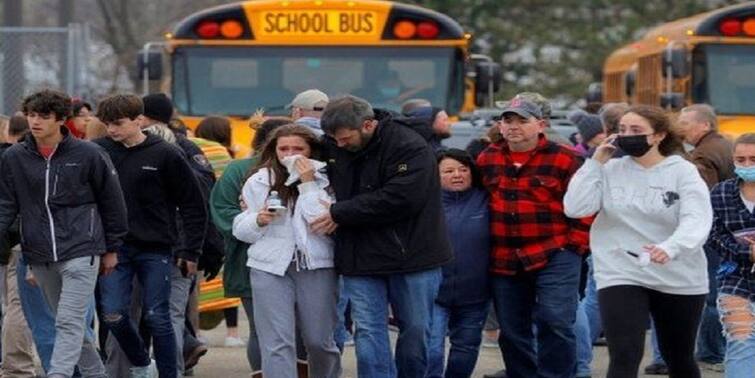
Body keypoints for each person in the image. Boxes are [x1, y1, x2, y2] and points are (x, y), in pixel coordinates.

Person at [564, 105, 712, 378]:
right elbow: (575, 207)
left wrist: (671, 247)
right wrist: (595, 163)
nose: (626, 135)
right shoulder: (610, 169)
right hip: (621, 269)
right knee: (624, 354)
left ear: (658, 136)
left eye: (636, 130)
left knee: (678, 357)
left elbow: (697, 219)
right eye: (621, 130)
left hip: (678, 274)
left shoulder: (683, 171)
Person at [317, 95, 452, 376]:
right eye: (334, 140)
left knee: (416, 329)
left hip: (413, 254)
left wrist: (340, 212)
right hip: (359, 254)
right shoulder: (332, 144)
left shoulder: (409, 146)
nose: (339, 145)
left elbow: (402, 198)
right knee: (367, 329)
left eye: (344, 139)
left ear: (368, 125)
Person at [0, 89, 128, 378]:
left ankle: (57, 375)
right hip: (38, 252)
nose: (35, 121)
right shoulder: (15, 157)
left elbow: (112, 202)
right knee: (67, 322)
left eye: (44, 116)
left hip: (82, 249)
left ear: (60, 120)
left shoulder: (90, 154)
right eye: (31, 115)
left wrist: (112, 248)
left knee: (68, 322)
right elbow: (6, 203)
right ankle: (97, 374)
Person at [476, 98, 591, 378]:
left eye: (522, 120)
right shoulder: (487, 158)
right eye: (508, 121)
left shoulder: (566, 158)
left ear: (541, 125)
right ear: (500, 126)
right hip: (504, 256)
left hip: (556, 251)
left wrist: (575, 246)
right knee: (512, 329)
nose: (514, 127)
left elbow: (588, 205)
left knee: (556, 320)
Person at [95, 93, 208, 378]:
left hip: (156, 249)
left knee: (159, 318)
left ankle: (169, 373)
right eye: (107, 124)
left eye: (118, 123)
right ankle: (143, 364)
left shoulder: (166, 154)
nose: (111, 130)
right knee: (114, 315)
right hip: (115, 249)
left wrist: (190, 251)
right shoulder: (98, 151)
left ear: (139, 120)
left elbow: (193, 204)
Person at [232, 124, 341, 378]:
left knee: (319, 341)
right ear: (274, 150)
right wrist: (257, 220)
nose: (290, 154)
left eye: (298, 149)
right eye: (284, 148)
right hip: (269, 266)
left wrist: (307, 183)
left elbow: (320, 221)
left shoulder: (326, 180)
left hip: (316, 264)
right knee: (277, 343)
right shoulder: (258, 180)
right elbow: (242, 229)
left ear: (311, 151)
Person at [210, 116, 291, 376]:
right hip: (251, 261)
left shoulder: (305, 169)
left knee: (266, 329)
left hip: (292, 262)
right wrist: (255, 224)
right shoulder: (239, 170)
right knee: (264, 329)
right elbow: (224, 213)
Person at [678, 103, 734, 370]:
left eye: (686, 123)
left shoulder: (703, 155)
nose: (681, 128)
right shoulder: (724, 145)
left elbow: (701, 198)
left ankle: (712, 352)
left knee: (712, 293)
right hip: (730, 230)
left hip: (714, 231)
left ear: (705, 125)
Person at [427, 148, 490, 378]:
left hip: (475, 293)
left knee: (466, 348)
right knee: (431, 349)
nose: (457, 175)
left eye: (463, 170)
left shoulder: (486, 199)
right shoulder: (425, 202)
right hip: (433, 292)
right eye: (449, 171)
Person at [707, 133, 755, 378]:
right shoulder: (721, 192)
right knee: (740, 342)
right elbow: (713, 236)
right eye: (741, 159)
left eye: (753, 159)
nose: (747, 165)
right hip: (736, 277)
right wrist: (746, 251)